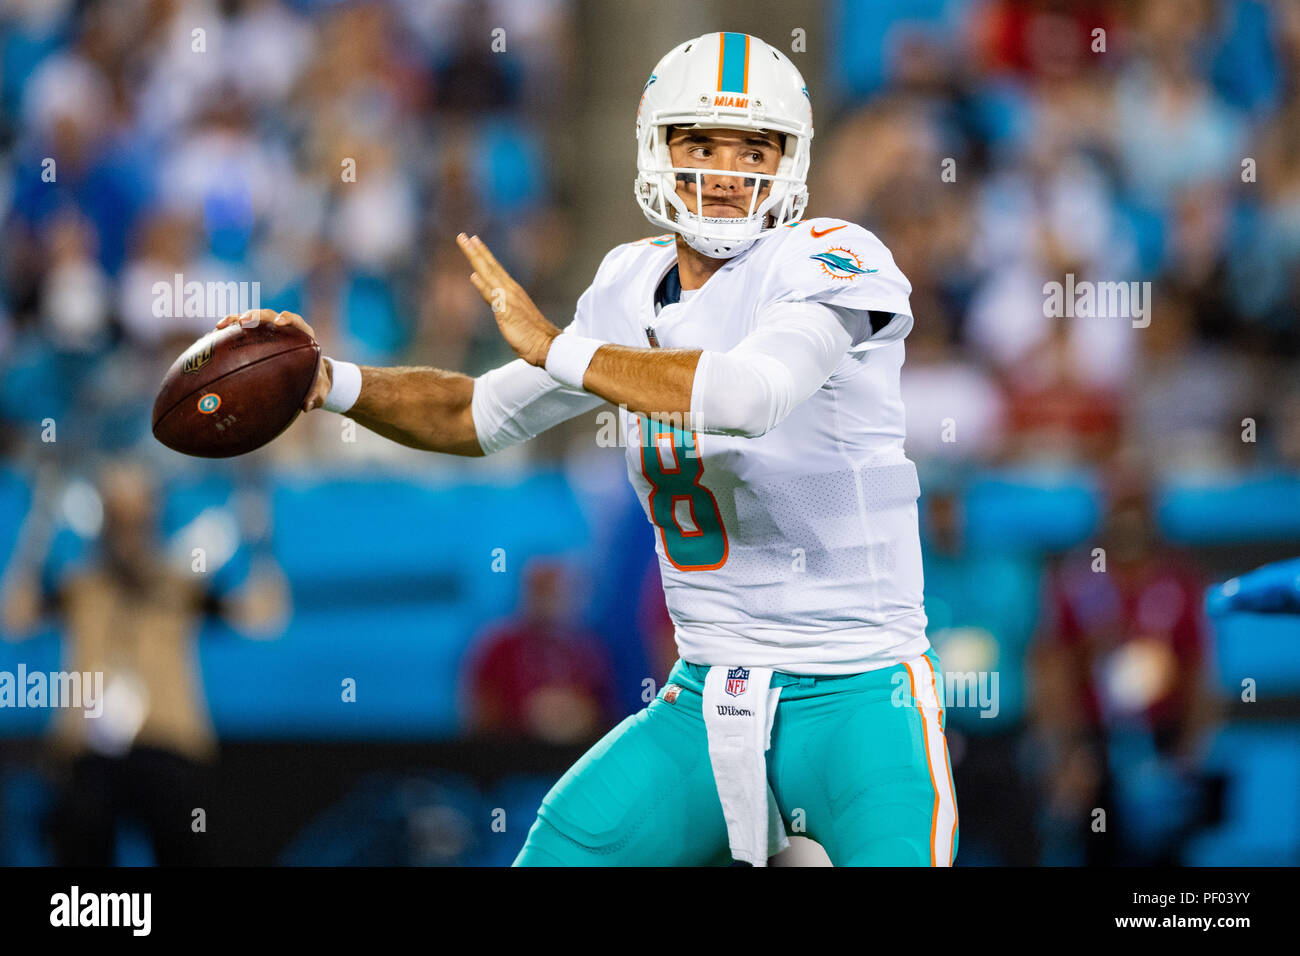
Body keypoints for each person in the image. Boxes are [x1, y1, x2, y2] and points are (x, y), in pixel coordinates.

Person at [217, 31, 955, 866]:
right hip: (706, 698)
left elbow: (748, 396)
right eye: (700, 142)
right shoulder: (627, 285)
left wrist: (559, 350)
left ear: (792, 161)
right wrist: (330, 382)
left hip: (861, 698)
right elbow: (475, 415)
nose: (727, 169)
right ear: (656, 150)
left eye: (755, 147)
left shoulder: (833, 259)